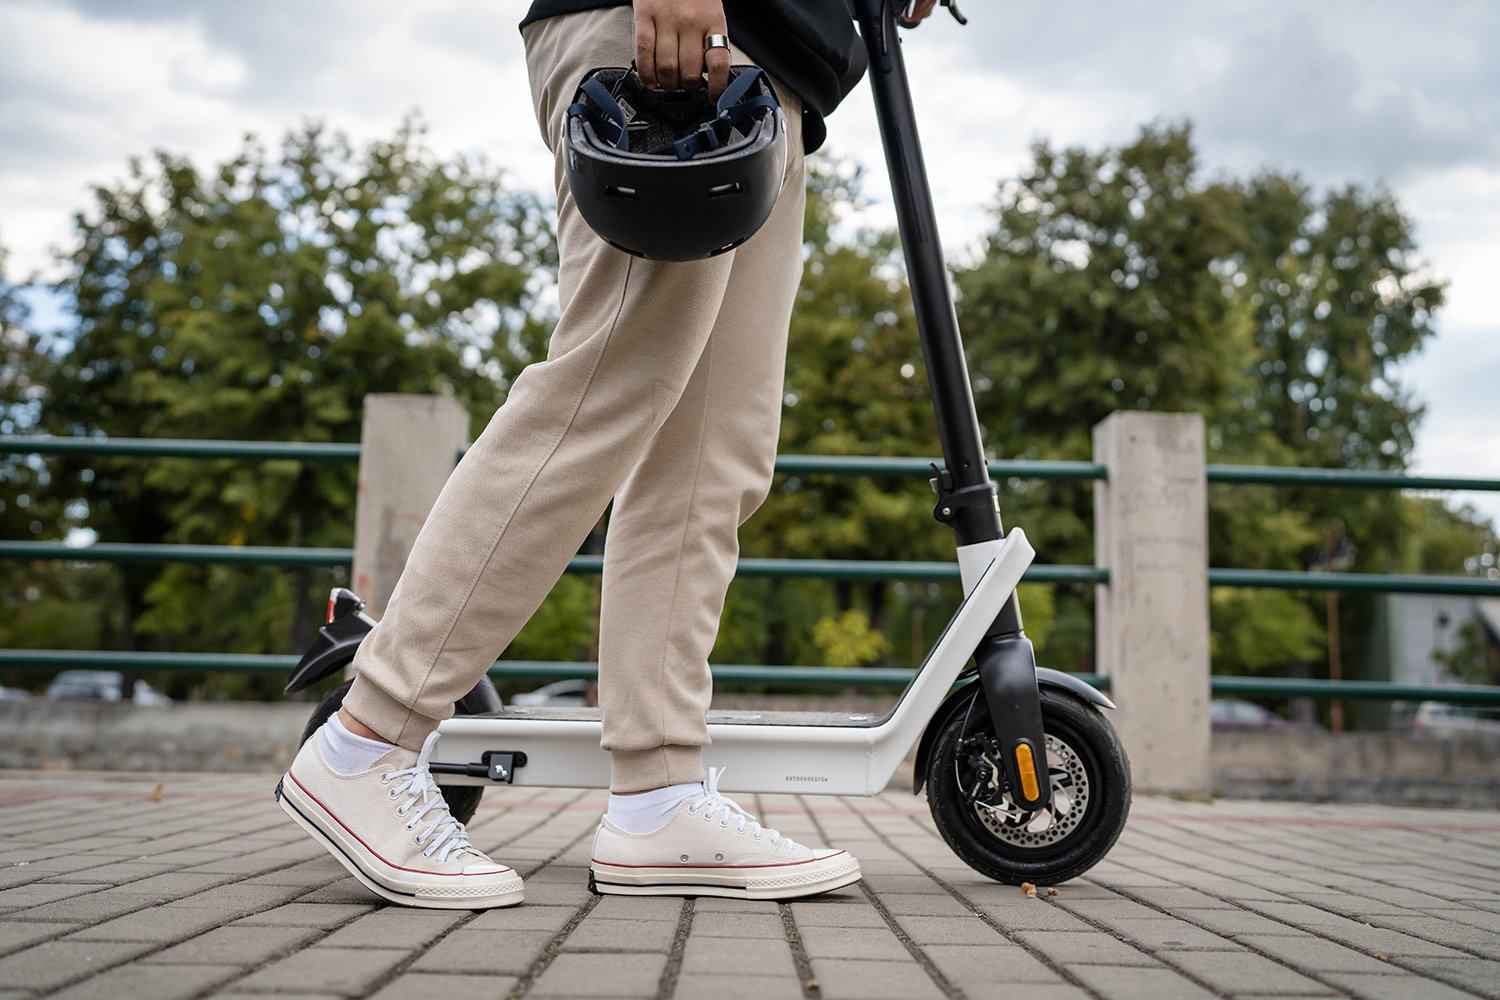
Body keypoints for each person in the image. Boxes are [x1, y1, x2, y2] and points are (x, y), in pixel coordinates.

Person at [276, 0, 943, 909]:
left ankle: (659, 795)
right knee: (604, 390)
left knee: (717, 453)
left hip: (779, 76)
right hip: (675, 35)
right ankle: (367, 739)